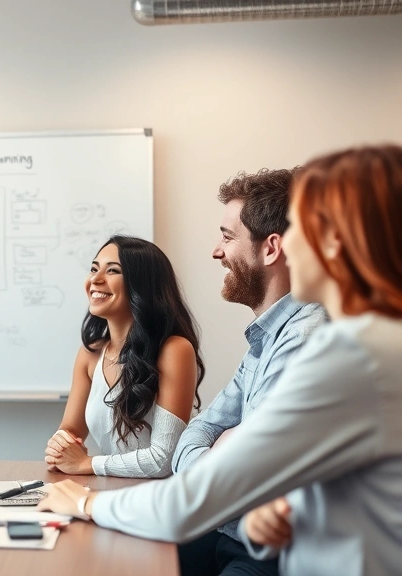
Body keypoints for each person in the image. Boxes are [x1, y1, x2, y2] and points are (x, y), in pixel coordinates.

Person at [35, 144, 402, 576]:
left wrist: (83, 501)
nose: (290, 243)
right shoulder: (336, 339)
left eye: (300, 227)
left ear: (336, 240)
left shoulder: (344, 350)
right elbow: (204, 439)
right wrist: (267, 485)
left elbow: (198, 497)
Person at [174, 169, 327, 576]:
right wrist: (218, 450)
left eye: (227, 237)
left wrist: (228, 449)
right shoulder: (267, 338)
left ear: (271, 248)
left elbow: (246, 477)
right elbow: (199, 430)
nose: (216, 251)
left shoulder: (307, 339)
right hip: (229, 532)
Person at [43, 236, 204, 478]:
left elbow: (164, 459)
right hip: (111, 491)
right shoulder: (90, 354)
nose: (95, 280)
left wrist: (86, 464)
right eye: (94, 269)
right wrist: (59, 448)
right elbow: (70, 430)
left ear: (142, 285)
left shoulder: (174, 349)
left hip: (164, 498)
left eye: (112, 271)